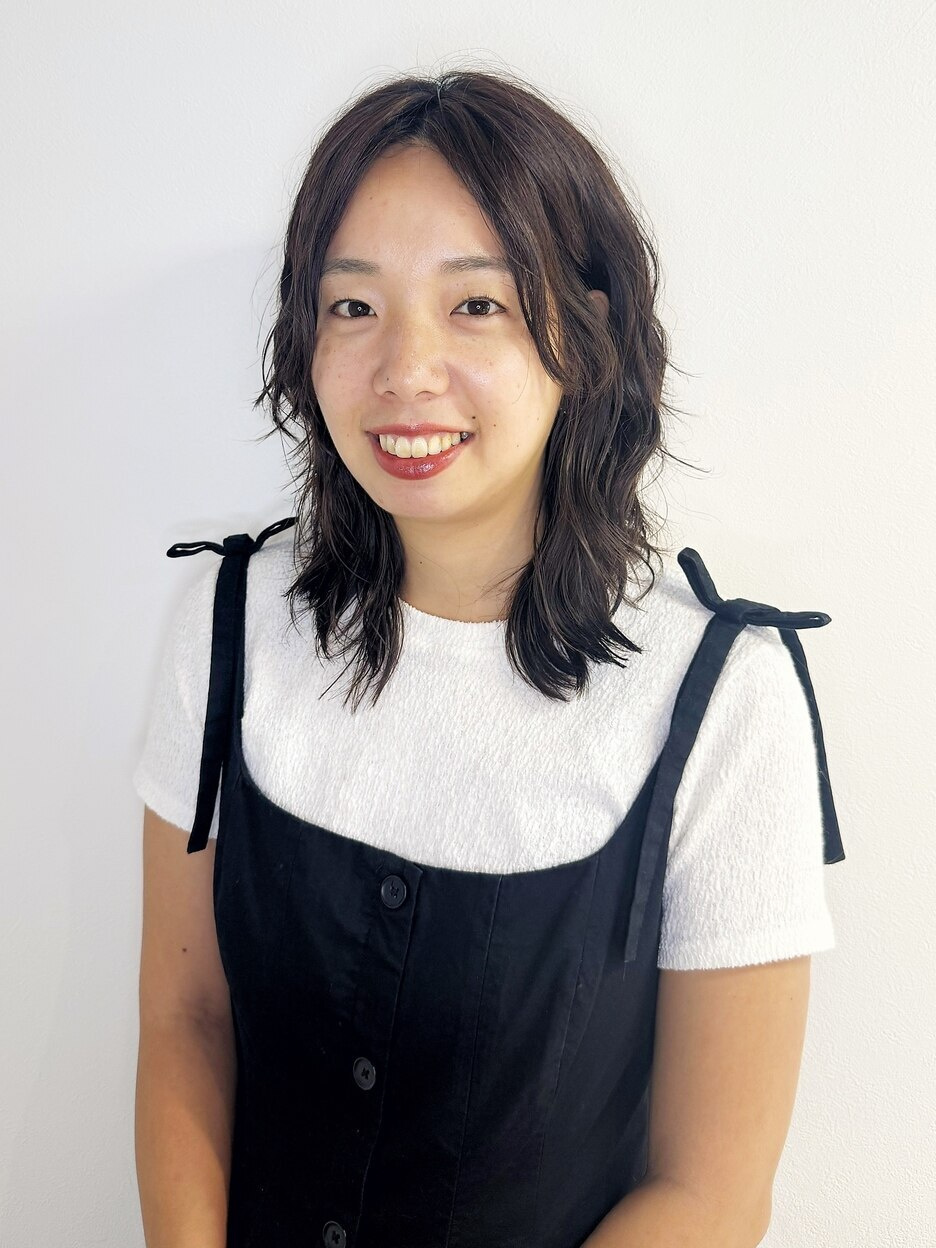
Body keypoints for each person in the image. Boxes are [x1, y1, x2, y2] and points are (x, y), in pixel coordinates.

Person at [133, 68, 845, 1248]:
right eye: (352, 305)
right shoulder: (228, 621)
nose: (404, 370)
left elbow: (712, 1191)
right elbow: (185, 1019)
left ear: (587, 328)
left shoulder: (723, 699)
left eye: (477, 304)